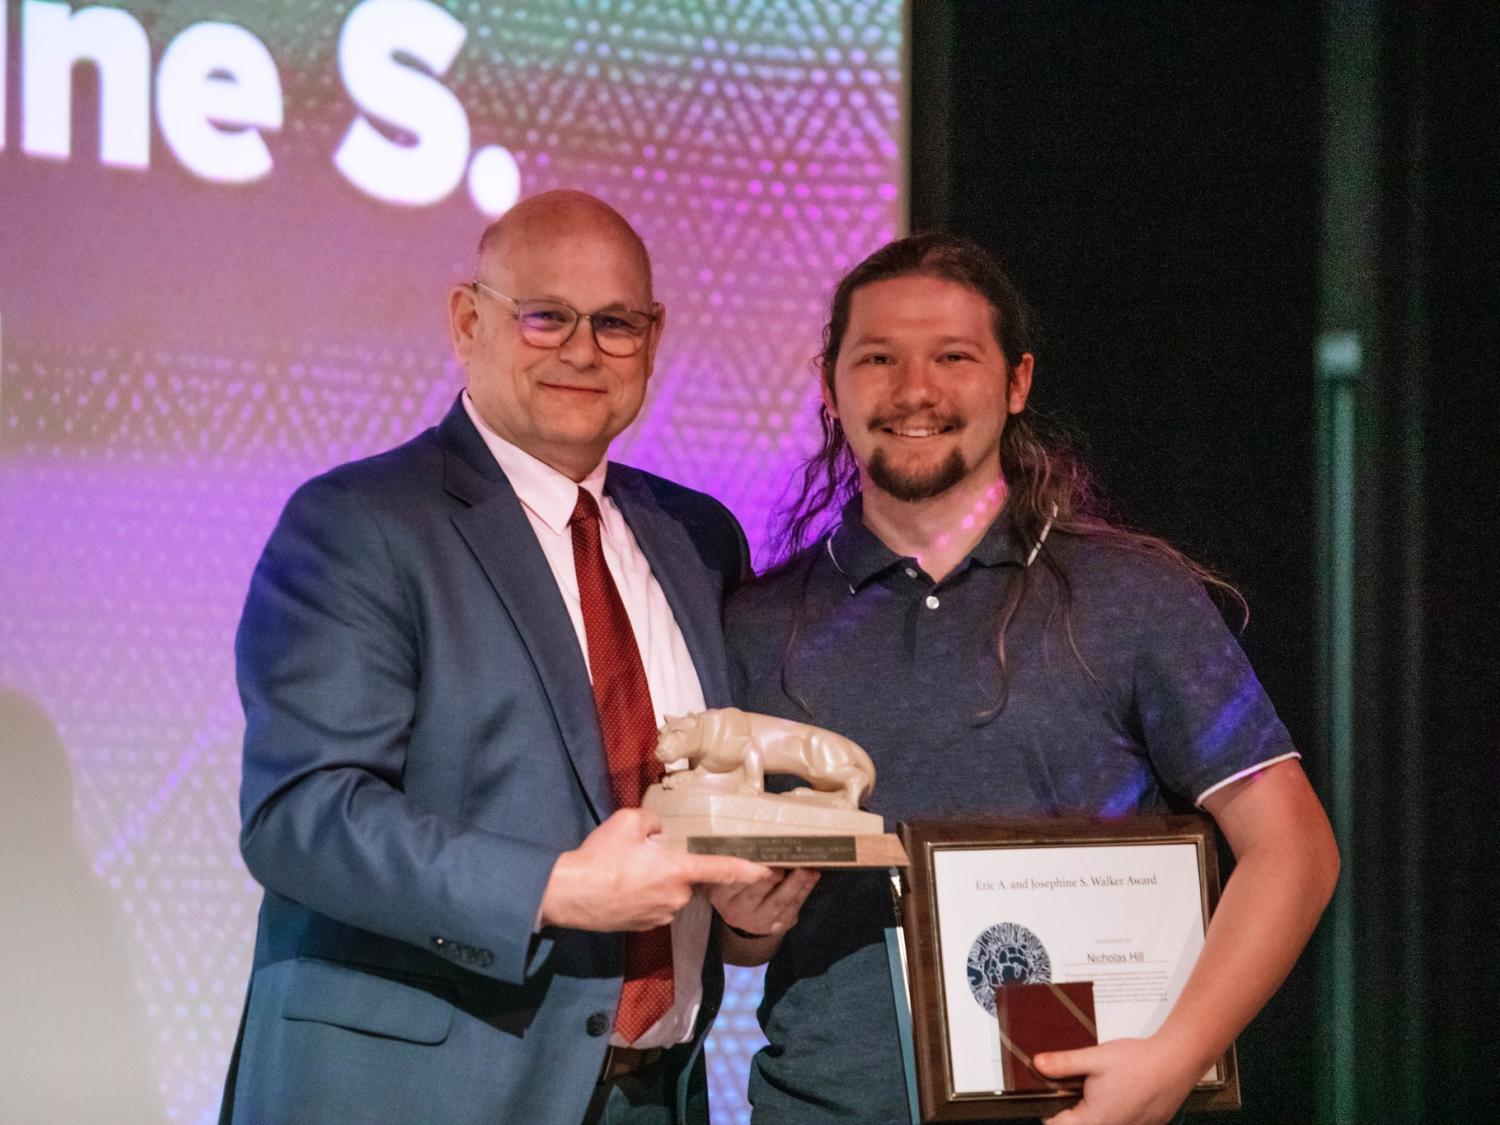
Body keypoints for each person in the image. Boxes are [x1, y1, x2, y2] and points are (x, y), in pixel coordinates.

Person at [722, 231, 1340, 1125]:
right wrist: (750, 920)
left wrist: (1171, 1061)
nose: (915, 390)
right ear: (830, 384)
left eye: (953, 357)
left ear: (1017, 382)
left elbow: (1294, 851)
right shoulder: (755, 623)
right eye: (878, 359)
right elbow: (741, 935)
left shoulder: (1133, 595)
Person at [219, 190, 783, 1125]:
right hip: (417, 1098)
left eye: (615, 324)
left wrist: (745, 915)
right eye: (544, 315)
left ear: (655, 336)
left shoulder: (698, 537)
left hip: (656, 1094)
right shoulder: (359, 522)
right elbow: (301, 814)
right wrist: (561, 888)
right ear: (467, 320)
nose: (581, 349)